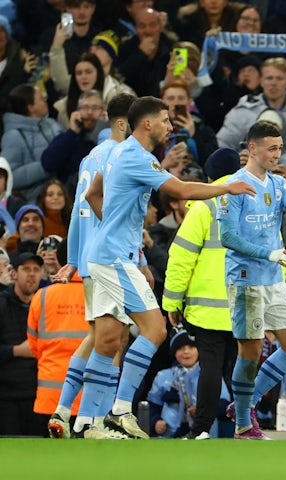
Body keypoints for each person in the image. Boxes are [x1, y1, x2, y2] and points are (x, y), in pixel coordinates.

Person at [76, 96, 254, 439]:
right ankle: (121, 410)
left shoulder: (114, 152)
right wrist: (226, 187)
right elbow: (183, 189)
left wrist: (113, 228)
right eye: (164, 120)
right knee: (155, 330)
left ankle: (88, 422)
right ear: (147, 124)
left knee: (109, 337)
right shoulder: (137, 157)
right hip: (114, 259)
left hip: (106, 254)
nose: (169, 127)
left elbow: (92, 194)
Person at [216, 120, 286, 440]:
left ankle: (246, 402)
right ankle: (244, 423)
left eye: (280, 148)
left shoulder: (278, 184)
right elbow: (228, 237)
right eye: (272, 148)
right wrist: (268, 253)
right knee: (251, 349)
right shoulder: (235, 186)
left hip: (274, 279)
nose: (277, 154)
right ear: (252, 148)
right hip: (246, 279)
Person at [47, 93, 136, 440]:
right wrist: (137, 258)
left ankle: (66, 411)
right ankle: (92, 420)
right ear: (123, 122)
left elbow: (77, 211)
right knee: (112, 337)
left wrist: (73, 258)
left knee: (101, 335)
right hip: (110, 258)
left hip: (89, 257)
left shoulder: (90, 158)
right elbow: (112, 215)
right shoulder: (120, 156)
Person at [162, 147, 241, 440]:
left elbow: (181, 257)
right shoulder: (258, 204)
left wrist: (171, 301)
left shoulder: (204, 206)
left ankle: (203, 429)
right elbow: (276, 256)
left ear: (209, 176)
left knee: (210, 368)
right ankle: (247, 426)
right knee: (242, 370)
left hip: (208, 309)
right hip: (246, 304)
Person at [26, 238, 90, 436]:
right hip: (87, 398)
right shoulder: (98, 294)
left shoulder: (42, 296)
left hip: (50, 398)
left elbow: (33, 344)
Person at [0, 252, 43, 436]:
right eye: (26, 269)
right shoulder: (2, 304)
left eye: (36, 269)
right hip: (6, 397)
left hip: (38, 395)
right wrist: (17, 351)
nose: (32, 274)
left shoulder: (45, 305)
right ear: (14, 274)